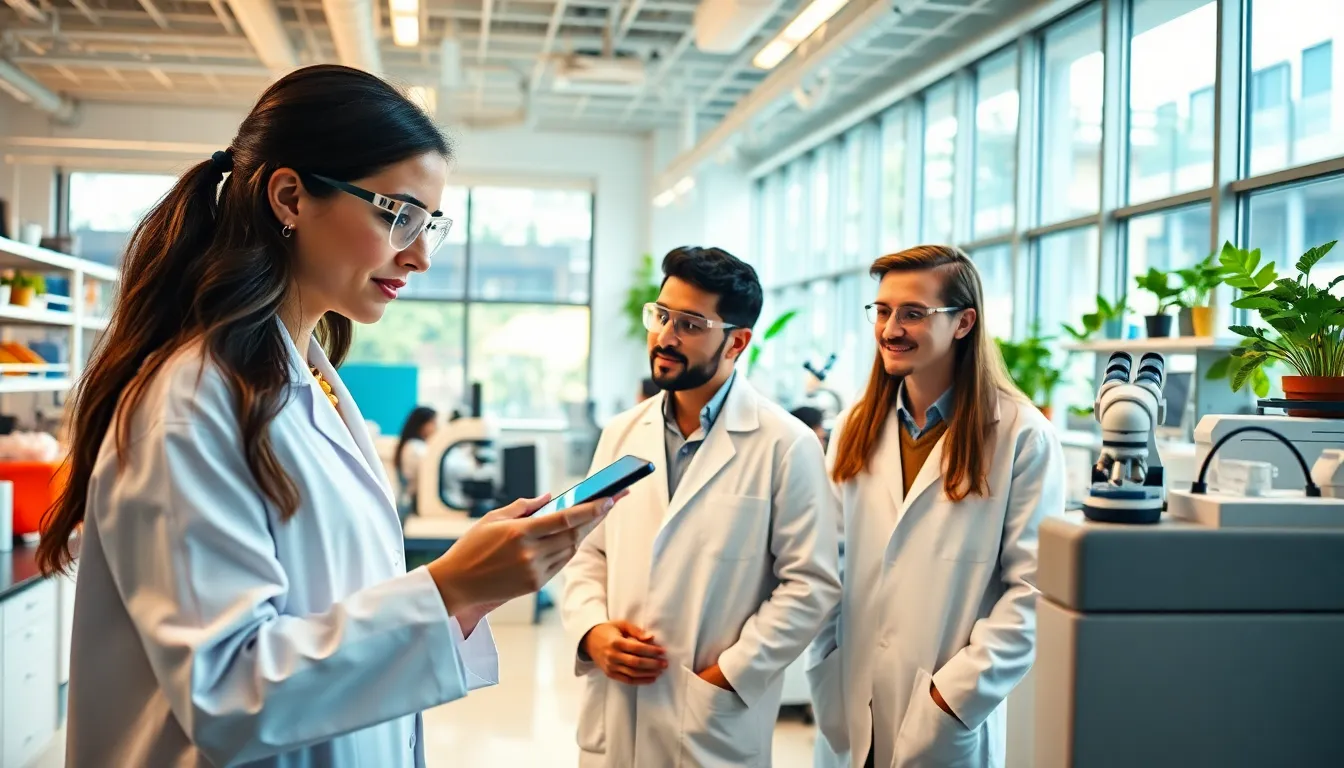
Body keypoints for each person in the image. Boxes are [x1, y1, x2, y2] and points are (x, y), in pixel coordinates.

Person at [36, 64, 619, 768]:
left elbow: (334, 614)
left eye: (429, 222)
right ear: (290, 197)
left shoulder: (310, 377)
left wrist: (468, 589)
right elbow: (227, 694)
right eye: (397, 214)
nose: (422, 253)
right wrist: (450, 584)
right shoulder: (194, 402)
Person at [562, 246, 841, 767]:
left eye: (690, 323)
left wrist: (731, 674)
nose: (665, 336)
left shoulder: (786, 444)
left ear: (736, 341)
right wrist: (592, 632)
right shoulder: (622, 433)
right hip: (616, 714)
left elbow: (811, 584)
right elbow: (586, 551)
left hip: (711, 720)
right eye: (662, 314)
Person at [807, 245, 1066, 768]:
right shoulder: (856, 426)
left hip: (944, 716)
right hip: (852, 701)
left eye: (913, 313)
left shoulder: (1020, 436)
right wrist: (825, 662)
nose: (891, 329)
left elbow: (1032, 591)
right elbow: (824, 563)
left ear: (964, 322)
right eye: (882, 311)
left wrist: (951, 700)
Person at [396, 405, 439, 517]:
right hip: (416, 502)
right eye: (433, 423)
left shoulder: (414, 445)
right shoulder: (416, 448)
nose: (436, 427)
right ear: (421, 425)